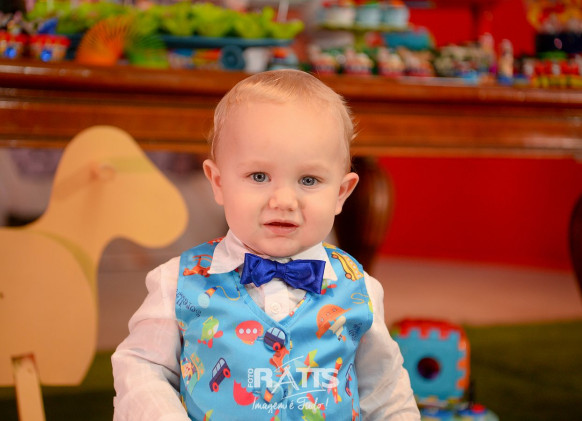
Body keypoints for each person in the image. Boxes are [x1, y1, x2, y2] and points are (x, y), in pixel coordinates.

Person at [112, 69, 420, 421]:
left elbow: (386, 394)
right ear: (218, 183)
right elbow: (141, 368)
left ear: (341, 193)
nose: (284, 200)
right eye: (259, 176)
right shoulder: (177, 283)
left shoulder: (359, 289)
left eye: (309, 180)